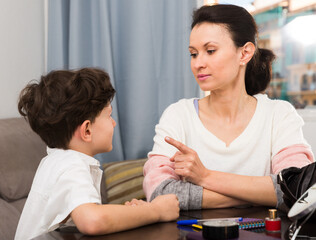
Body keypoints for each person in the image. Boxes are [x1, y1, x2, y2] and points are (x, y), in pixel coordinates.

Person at [143, 4, 314, 210]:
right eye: (193, 54)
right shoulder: (178, 115)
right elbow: (159, 192)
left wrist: (205, 176)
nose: (198, 63)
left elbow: (300, 190)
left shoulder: (279, 115)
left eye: (210, 51)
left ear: (245, 53)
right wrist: (261, 194)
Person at [15, 68, 179, 240]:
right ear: (87, 130)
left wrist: (137, 212)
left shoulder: (56, 161)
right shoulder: (70, 166)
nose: (114, 123)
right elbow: (93, 221)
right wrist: (156, 211)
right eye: (109, 116)